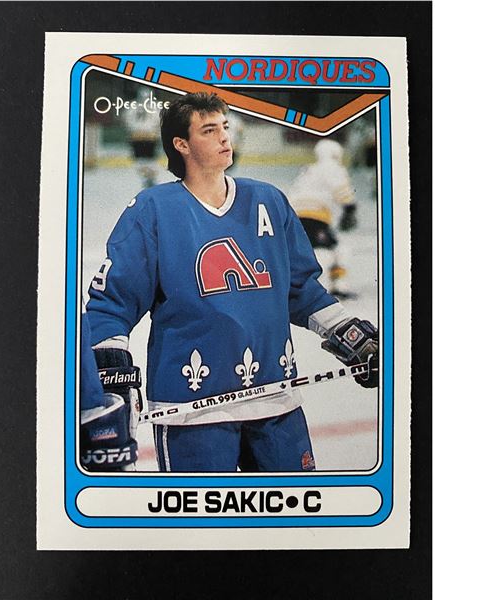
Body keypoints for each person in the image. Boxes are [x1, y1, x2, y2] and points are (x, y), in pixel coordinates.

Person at [82, 92, 378, 473]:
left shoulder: (269, 200)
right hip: (192, 413)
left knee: (295, 510)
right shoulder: (153, 210)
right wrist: (110, 375)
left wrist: (347, 332)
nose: (225, 136)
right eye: (209, 130)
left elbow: (300, 289)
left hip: (276, 401)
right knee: (201, 515)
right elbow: (110, 305)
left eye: (225, 126)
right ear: (181, 144)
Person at [287, 139, 358, 299]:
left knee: (334, 248)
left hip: (296, 216)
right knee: (325, 250)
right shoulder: (333, 168)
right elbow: (341, 189)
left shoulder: (308, 170)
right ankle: (325, 287)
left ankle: (334, 284)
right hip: (315, 215)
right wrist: (350, 208)